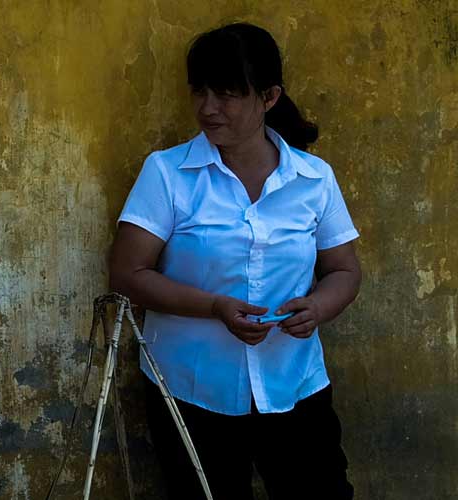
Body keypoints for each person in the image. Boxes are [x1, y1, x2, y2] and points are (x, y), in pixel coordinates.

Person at [106, 22, 360, 499]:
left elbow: (344, 270)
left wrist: (320, 307)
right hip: (192, 387)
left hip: (295, 384)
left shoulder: (313, 179)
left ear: (269, 97)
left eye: (226, 94)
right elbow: (127, 272)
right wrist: (214, 307)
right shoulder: (168, 173)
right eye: (199, 92)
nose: (208, 108)